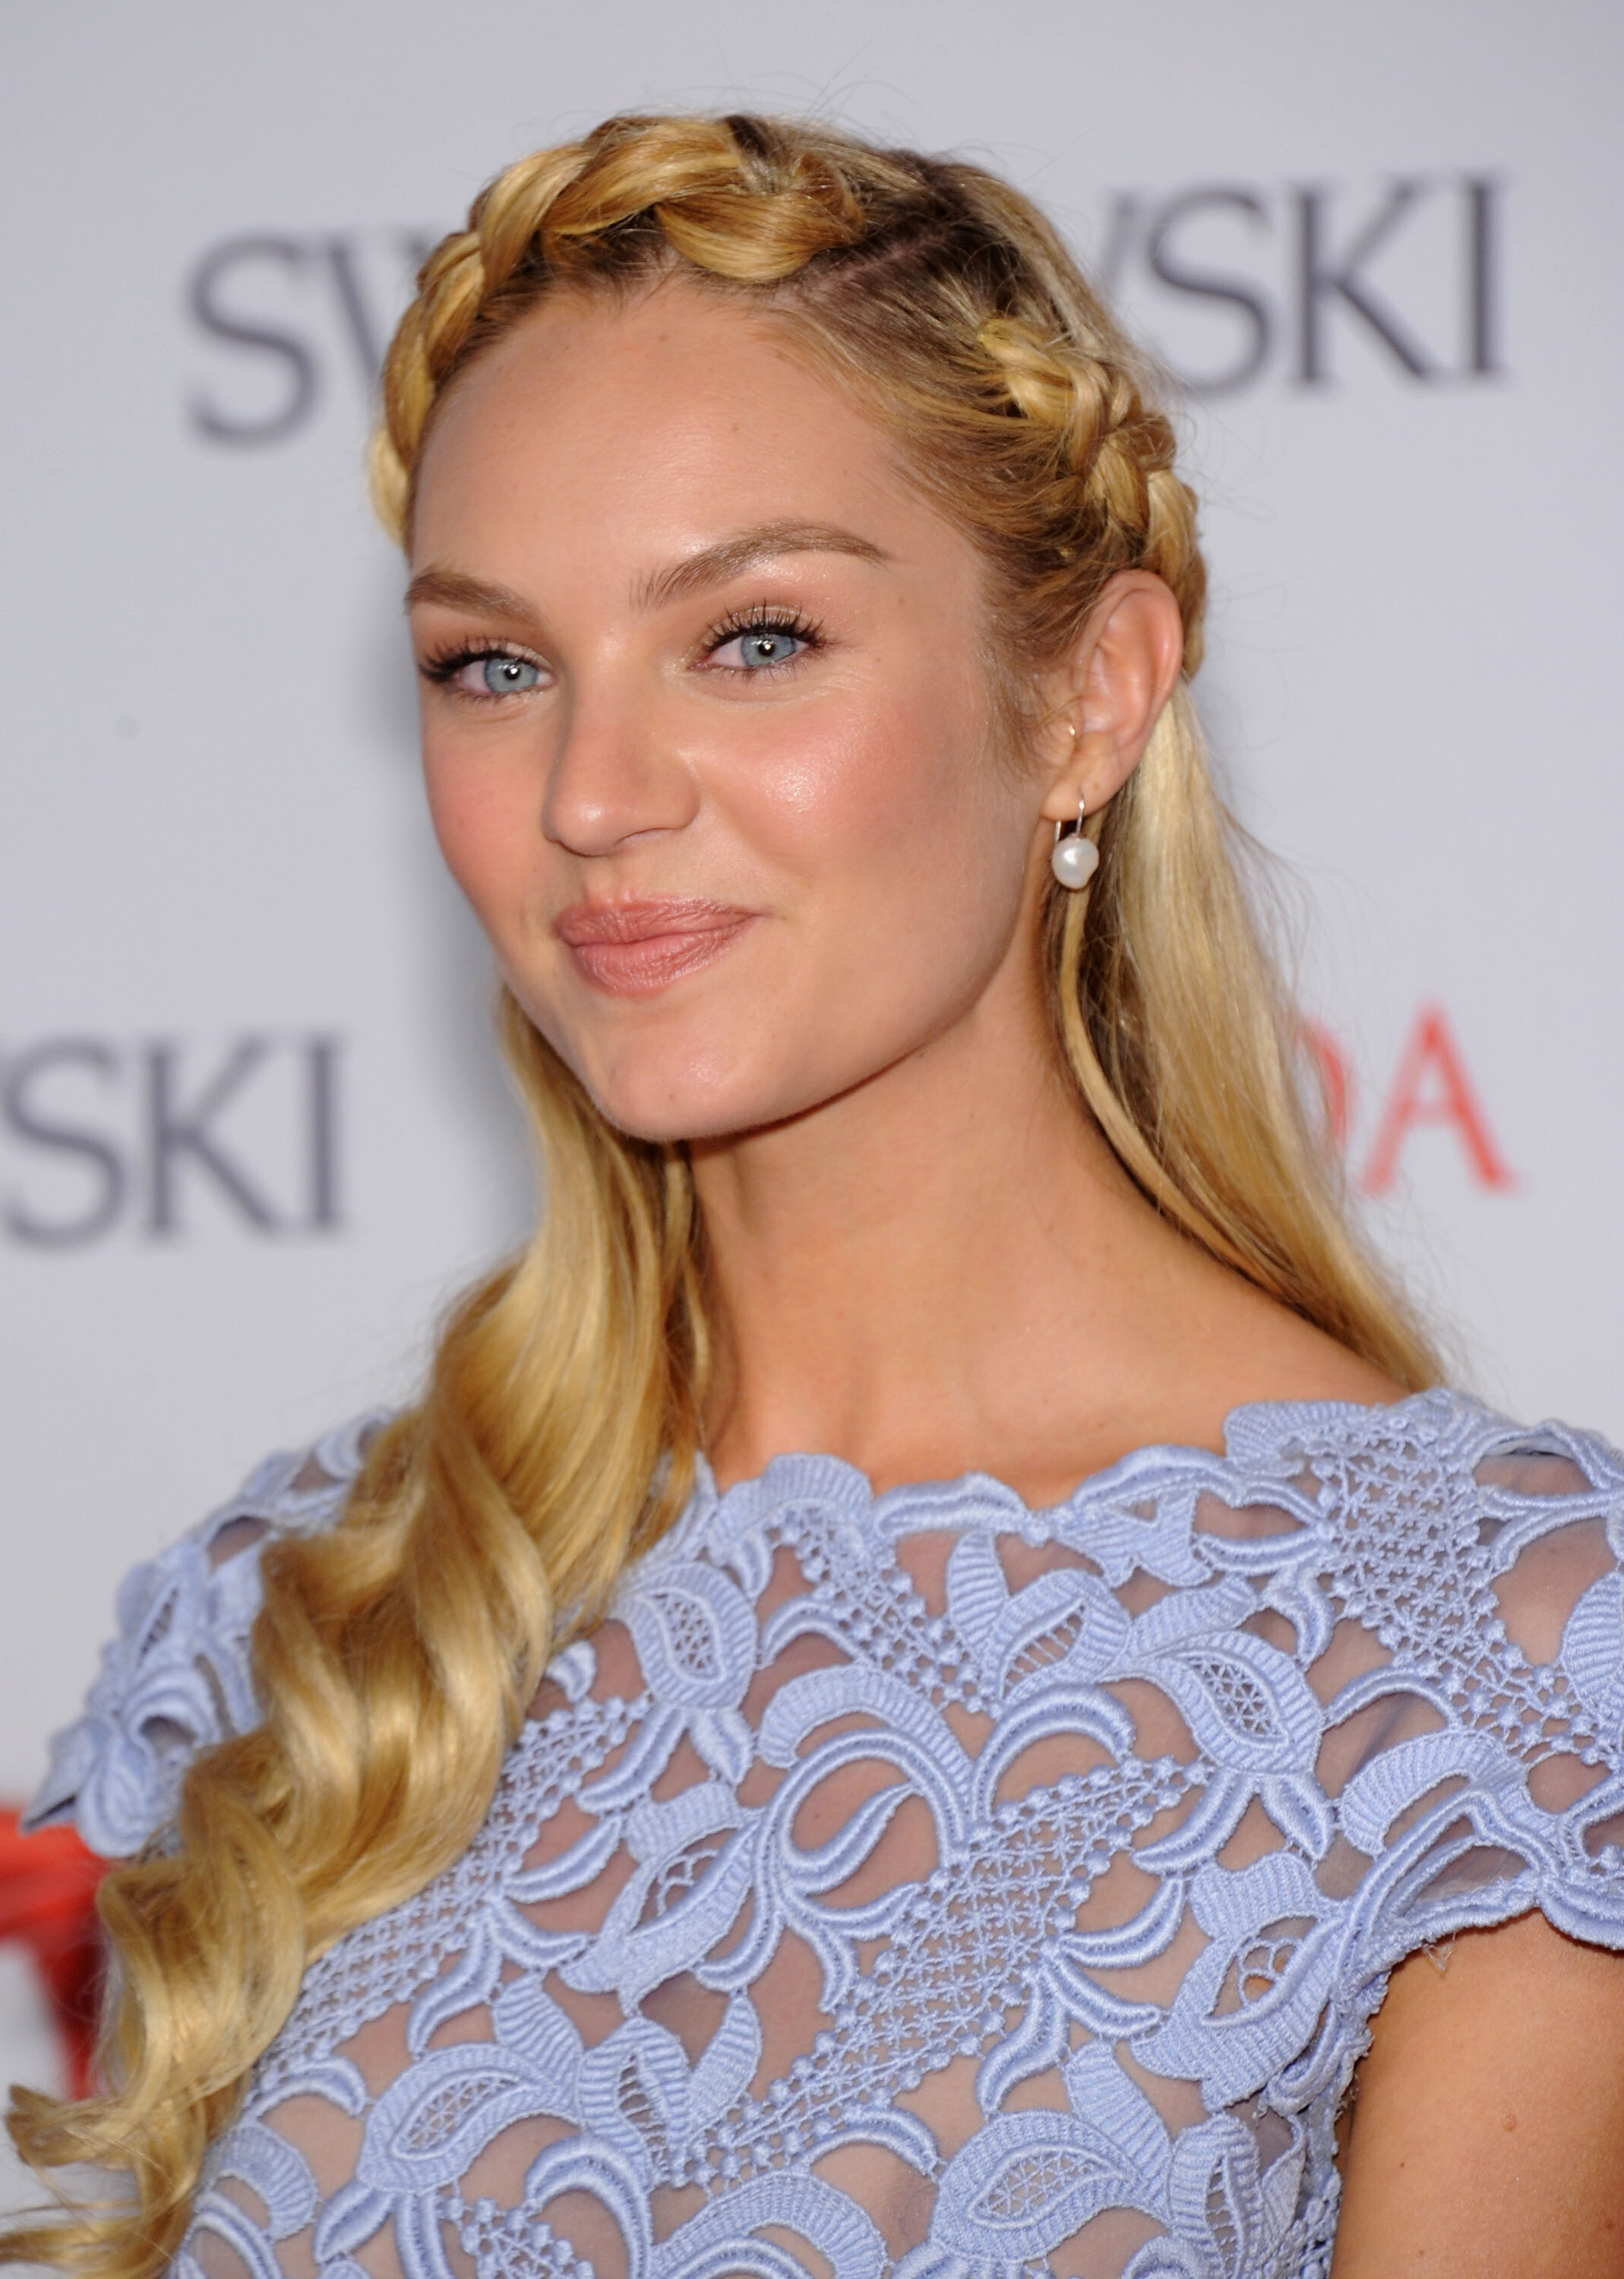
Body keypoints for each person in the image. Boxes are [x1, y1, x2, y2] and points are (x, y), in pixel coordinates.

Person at [6, 109, 1624, 2279]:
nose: (590, 795)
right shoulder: (308, 1618)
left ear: (1090, 693)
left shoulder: (1486, 1659)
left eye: (753, 639)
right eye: (494, 665)